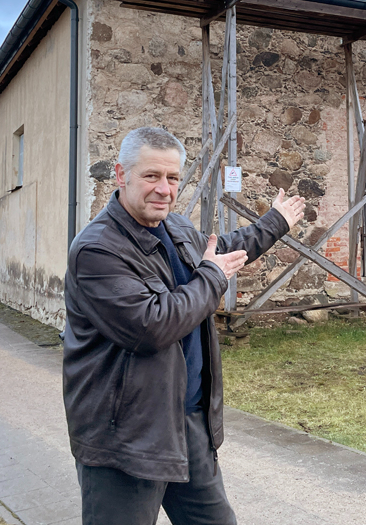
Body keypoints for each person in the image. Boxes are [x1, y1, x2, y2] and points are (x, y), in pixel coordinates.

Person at [62, 126, 305, 525]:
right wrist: (212, 277)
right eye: (151, 176)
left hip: (187, 424)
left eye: (172, 178)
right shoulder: (97, 249)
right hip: (125, 438)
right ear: (122, 176)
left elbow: (220, 252)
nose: (164, 189)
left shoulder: (175, 229)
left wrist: (275, 222)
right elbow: (151, 326)